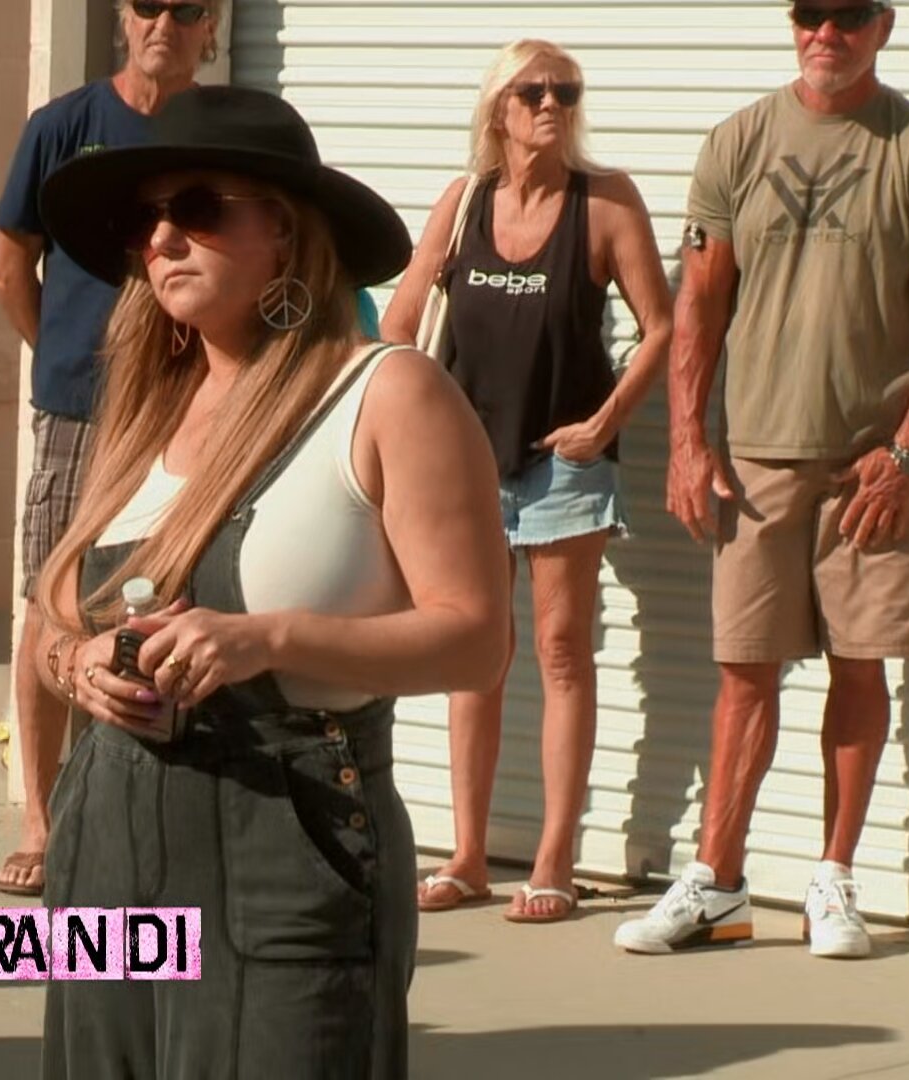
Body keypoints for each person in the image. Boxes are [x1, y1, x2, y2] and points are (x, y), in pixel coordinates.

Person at [33, 85, 510, 1078]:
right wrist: (79, 664)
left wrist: (267, 638)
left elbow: (476, 640)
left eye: (196, 207)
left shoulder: (386, 392)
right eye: (144, 220)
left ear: (285, 231)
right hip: (107, 840)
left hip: (287, 843)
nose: (162, 238)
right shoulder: (143, 410)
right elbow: (49, 622)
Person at [617, 0, 909, 959]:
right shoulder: (737, 142)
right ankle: (718, 886)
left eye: (848, 15)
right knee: (744, 670)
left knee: (861, 663)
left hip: (871, 464)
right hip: (758, 457)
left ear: (883, 26)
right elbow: (701, 303)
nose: (827, 32)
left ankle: (833, 880)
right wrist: (688, 442)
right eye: (809, 12)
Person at [380, 39, 673, 923]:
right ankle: (468, 856)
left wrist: (604, 423)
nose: (551, 105)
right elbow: (398, 324)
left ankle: (554, 859)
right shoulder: (464, 202)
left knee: (560, 650)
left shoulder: (605, 202)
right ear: (498, 109)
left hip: (563, 463)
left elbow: (661, 327)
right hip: (466, 463)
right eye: (533, 91)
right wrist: (412, 431)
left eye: (565, 92)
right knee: (474, 648)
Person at [0, 0, 222, 897]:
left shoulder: (217, 131)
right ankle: (42, 821)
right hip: (79, 414)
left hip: (186, 412)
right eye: (147, 3)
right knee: (51, 605)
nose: (165, 22)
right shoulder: (63, 127)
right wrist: (63, 357)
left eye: (187, 8)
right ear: (123, 17)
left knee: (155, 604)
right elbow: (8, 268)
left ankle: (122, 816)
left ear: (211, 26)